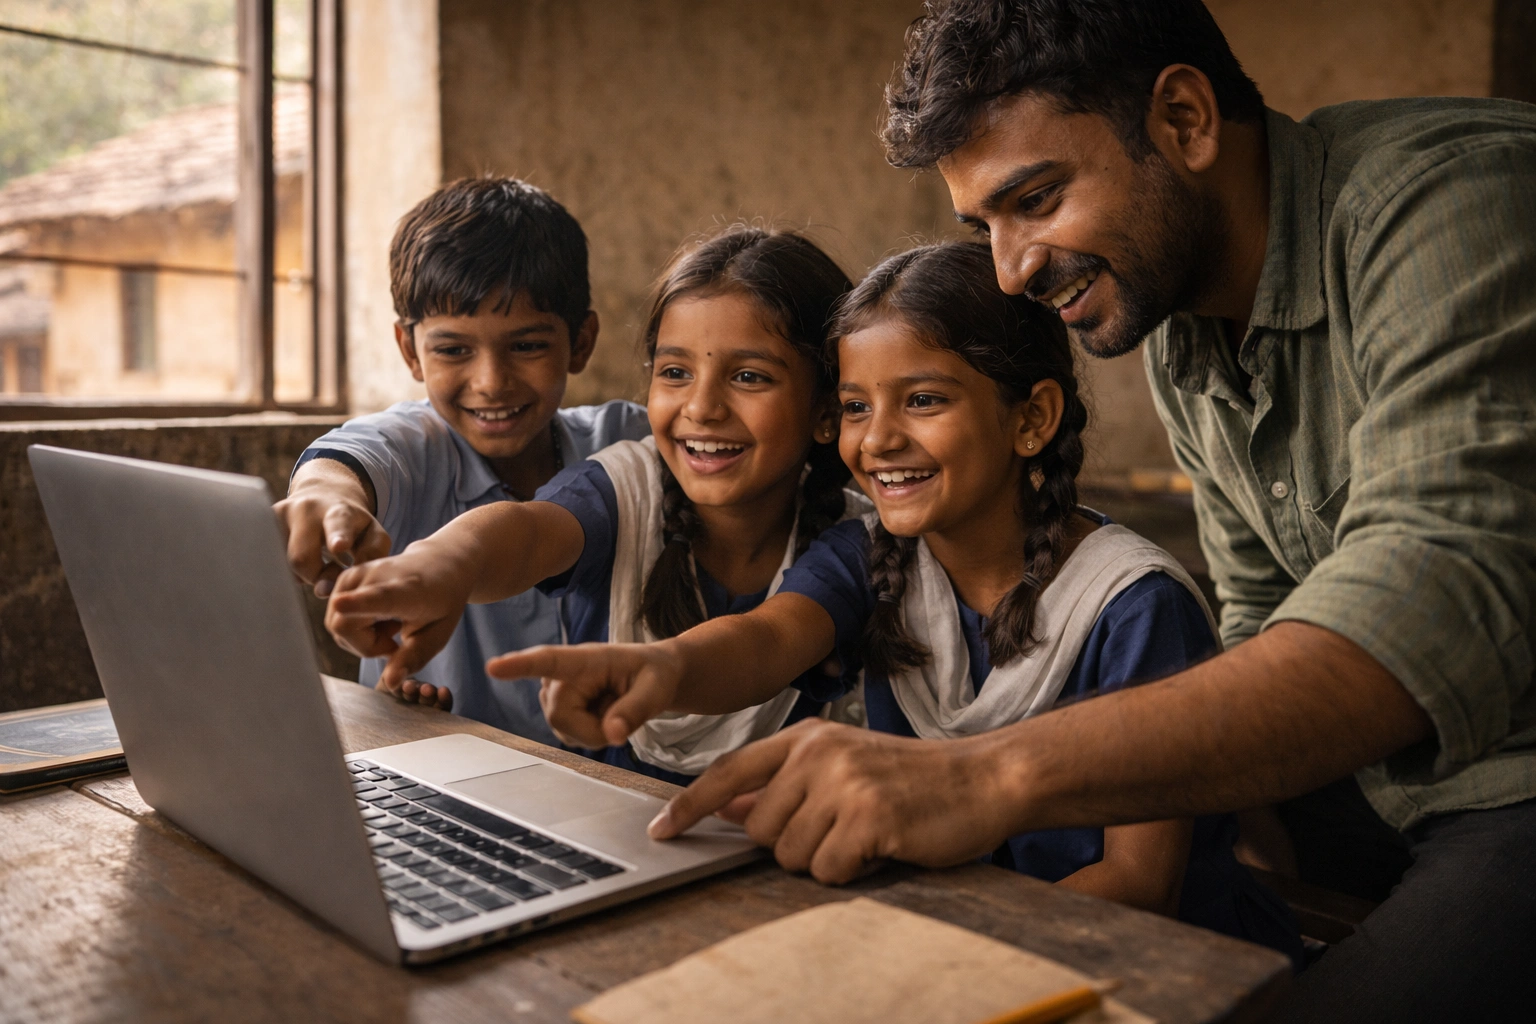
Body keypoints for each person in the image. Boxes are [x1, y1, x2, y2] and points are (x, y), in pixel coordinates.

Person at [533, 3, 1536, 1020]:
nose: (1012, 270)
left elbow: (1433, 605)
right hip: (1378, 778)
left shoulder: (1450, 208)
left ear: (1184, 118)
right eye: (984, 228)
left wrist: (983, 777)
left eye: (1037, 199)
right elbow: (1267, 605)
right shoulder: (1184, 329)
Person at [497, 240, 1304, 959]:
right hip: (952, 949)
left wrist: (917, 962)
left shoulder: (1132, 606)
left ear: (1032, 419)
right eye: (855, 406)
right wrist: (661, 669)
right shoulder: (872, 556)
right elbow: (767, 642)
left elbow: (1139, 886)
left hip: (1142, 973)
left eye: (923, 400)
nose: (877, 438)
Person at [324, 227, 864, 783]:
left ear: (828, 410)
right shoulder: (626, 485)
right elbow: (528, 532)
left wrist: (664, 668)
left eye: (749, 377)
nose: (701, 407)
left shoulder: (856, 539)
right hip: (608, 834)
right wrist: (440, 567)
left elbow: (770, 640)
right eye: (675, 372)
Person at [274, 177, 649, 745]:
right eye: (453, 350)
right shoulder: (414, 447)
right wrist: (323, 500)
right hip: (441, 778)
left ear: (581, 341)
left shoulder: (623, 440)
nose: (491, 383)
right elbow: (343, 465)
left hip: (608, 780)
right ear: (410, 351)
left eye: (526, 346)